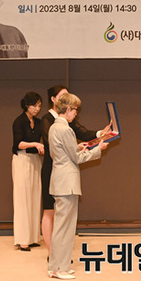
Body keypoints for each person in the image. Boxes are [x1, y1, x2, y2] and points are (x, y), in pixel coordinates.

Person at [39, 85, 111, 257]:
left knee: (62, 223)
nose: (76, 112)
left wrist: (87, 141)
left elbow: (80, 135)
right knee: (57, 219)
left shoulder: (60, 125)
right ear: (56, 101)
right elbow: (68, 153)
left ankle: (57, 260)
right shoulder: (56, 124)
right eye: (64, 97)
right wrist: (97, 149)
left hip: (60, 173)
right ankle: (55, 258)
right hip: (59, 173)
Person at [11, 91, 45, 252]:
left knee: (35, 197)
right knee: (22, 198)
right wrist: (35, 144)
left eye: (39, 106)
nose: (37, 109)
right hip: (22, 159)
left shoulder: (39, 122)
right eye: (35, 105)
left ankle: (32, 237)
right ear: (27, 105)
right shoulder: (19, 121)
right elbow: (18, 144)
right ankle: (22, 239)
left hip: (35, 160)